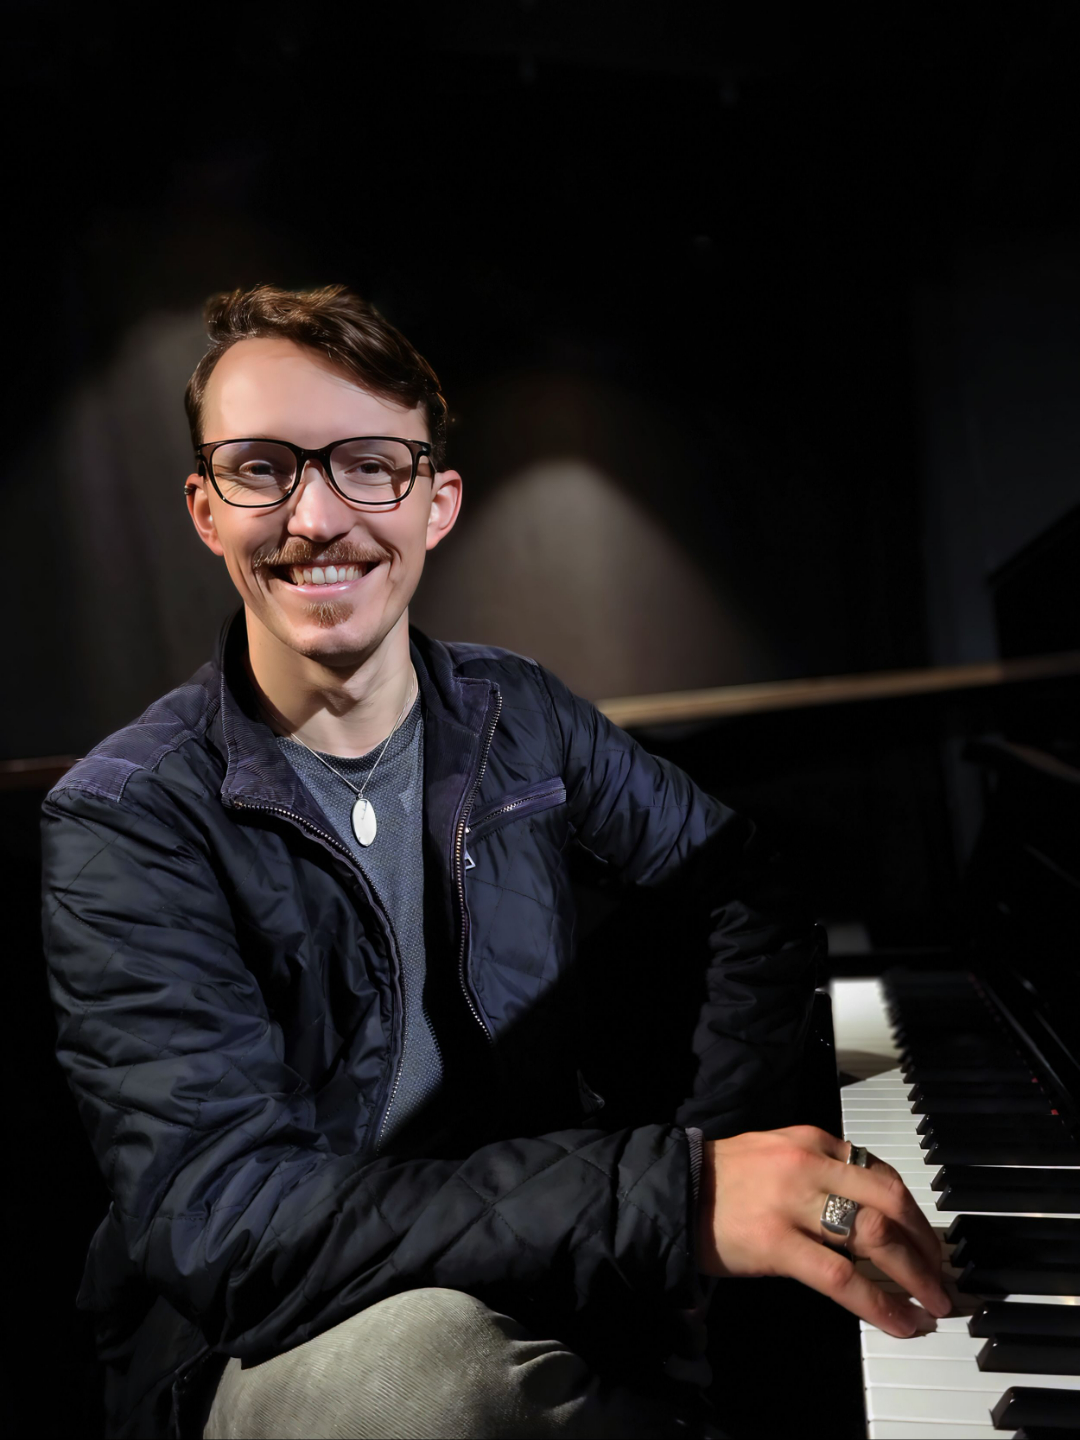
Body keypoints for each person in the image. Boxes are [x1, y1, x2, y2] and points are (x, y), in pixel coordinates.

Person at [41, 284, 951, 1440]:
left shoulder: (517, 711)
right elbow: (231, 1227)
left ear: (437, 503)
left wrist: (722, 1144)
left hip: (537, 1258)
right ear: (205, 509)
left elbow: (739, 880)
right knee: (438, 1383)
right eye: (262, 467)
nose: (316, 516)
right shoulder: (123, 820)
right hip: (273, 1335)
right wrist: (681, 1195)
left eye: (370, 465)